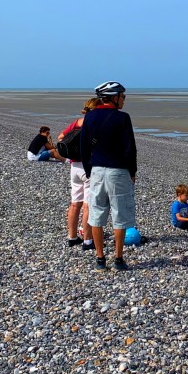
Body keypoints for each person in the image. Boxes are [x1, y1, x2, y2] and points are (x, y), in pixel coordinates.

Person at [81, 81, 138, 271]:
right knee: (119, 215)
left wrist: (89, 170)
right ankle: (118, 259)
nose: (124, 100)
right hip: (118, 171)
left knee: (97, 214)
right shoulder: (122, 118)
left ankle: (100, 259)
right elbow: (130, 148)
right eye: (122, 97)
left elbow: (84, 147)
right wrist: (132, 172)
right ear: (114, 97)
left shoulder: (90, 117)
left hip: (97, 170)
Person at [59, 99, 99, 249]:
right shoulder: (94, 124)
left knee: (75, 203)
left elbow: (61, 137)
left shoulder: (78, 122)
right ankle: (88, 241)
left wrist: (74, 148)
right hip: (88, 166)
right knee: (88, 205)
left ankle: (72, 237)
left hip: (74, 166)